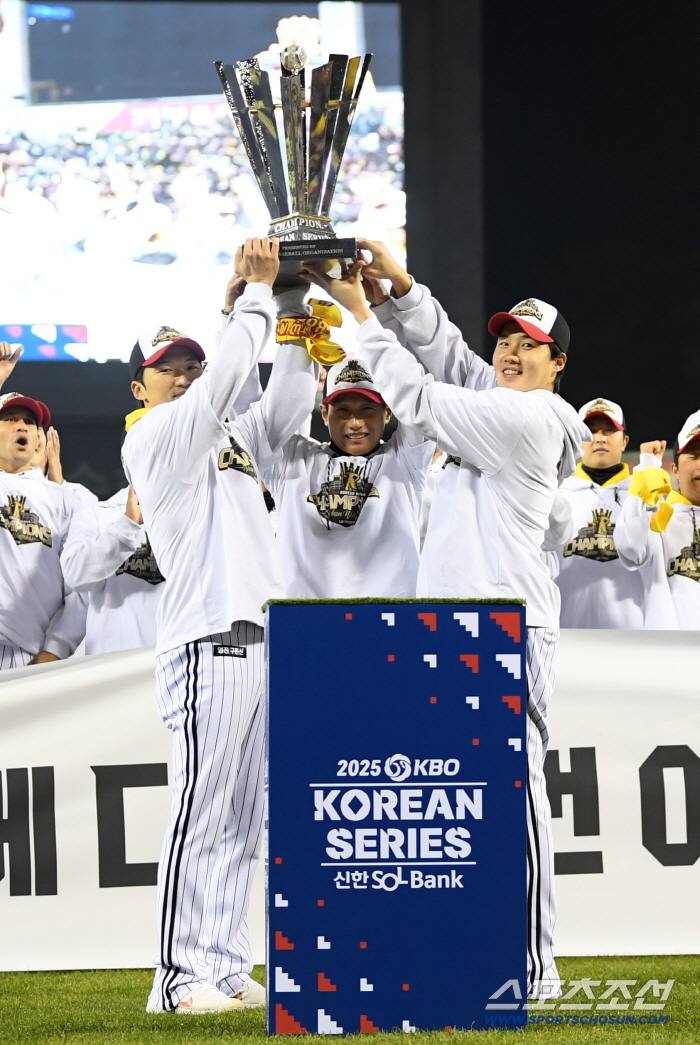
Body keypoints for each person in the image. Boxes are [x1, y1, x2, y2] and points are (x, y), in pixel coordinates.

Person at [311, 250, 590, 996]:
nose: (509, 349)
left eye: (529, 343)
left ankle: (534, 965)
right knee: (459, 809)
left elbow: (423, 395)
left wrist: (360, 316)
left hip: (504, 627)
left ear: (556, 362)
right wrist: (401, 291)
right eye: (507, 337)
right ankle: (473, 952)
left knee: (514, 800)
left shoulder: (530, 416)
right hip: (451, 628)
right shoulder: (498, 403)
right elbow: (451, 357)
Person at [122, 238, 316, 1015]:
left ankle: (227, 963)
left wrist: (296, 311)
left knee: (243, 818)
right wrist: (252, 298)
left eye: (189, 360)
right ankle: (175, 979)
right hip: (206, 637)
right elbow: (232, 376)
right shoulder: (155, 434)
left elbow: (290, 399)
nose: (183, 372)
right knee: (203, 811)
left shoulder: (230, 433)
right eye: (167, 364)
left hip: (257, 634)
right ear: (140, 383)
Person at [238, 351, 434, 599]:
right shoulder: (294, 461)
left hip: (389, 623)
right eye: (342, 410)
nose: (355, 422)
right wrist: (235, 320)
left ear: (387, 412)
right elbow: (247, 412)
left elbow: (419, 387)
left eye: (367, 409)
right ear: (324, 412)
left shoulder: (406, 459)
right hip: (305, 623)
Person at [555, 398, 663, 628]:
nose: (600, 438)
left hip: (633, 637)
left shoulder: (647, 497)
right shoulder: (557, 496)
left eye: (610, 430)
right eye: (591, 431)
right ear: (577, 440)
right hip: (566, 635)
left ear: (624, 442)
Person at [0, 388, 83, 667]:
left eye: (31, 422)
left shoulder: (64, 499)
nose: (22, 425)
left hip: (29, 657)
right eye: (9, 418)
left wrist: (55, 649)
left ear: (39, 438)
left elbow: (80, 586)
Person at [615, 409, 700, 629]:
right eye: (695, 455)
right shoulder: (657, 519)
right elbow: (631, 549)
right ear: (675, 470)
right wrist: (646, 470)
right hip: (668, 658)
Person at [61, 483, 163, 654]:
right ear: (125, 461)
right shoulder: (97, 514)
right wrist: (127, 525)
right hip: (111, 664)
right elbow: (74, 576)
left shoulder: (193, 515)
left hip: (175, 663)